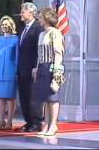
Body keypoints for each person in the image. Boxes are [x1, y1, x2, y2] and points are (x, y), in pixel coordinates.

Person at [32, 8, 65, 136]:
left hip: (51, 67)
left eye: (40, 17)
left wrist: (57, 72)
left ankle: (53, 125)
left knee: (52, 97)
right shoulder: (41, 34)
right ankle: (46, 124)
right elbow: (39, 54)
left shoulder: (55, 33)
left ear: (46, 18)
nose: (39, 19)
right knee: (44, 99)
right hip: (41, 67)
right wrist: (36, 68)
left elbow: (58, 53)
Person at [17, 2, 45, 132]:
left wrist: (36, 66)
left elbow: (39, 50)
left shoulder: (38, 28)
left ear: (31, 13)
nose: (21, 13)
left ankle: (36, 122)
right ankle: (28, 121)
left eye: (23, 11)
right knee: (24, 96)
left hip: (33, 68)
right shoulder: (22, 28)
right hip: (22, 68)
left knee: (33, 96)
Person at [0, 15, 19, 130]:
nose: (4, 26)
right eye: (3, 24)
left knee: (10, 98)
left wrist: (17, 71)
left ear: (11, 25)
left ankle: (9, 121)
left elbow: (17, 57)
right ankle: (1, 121)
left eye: (6, 24)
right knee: (0, 97)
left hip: (10, 71)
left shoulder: (16, 39)